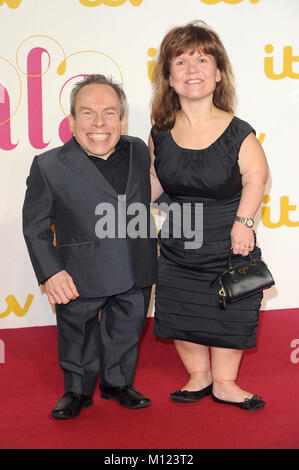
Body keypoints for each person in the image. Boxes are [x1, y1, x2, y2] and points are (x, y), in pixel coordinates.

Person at [149, 21, 269, 411]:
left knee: (230, 314)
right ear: (169, 76)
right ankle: (199, 377)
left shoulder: (239, 131)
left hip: (229, 239)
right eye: (180, 61)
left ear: (218, 73)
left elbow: (256, 177)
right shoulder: (160, 132)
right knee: (181, 310)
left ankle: (226, 383)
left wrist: (244, 222)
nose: (192, 69)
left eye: (202, 59)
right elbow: (152, 182)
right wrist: (127, 216)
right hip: (179, 242)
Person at [23, 74, 157, 419]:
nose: (99, 123)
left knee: (127, 331)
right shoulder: (49, 165)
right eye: (87, 113)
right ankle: (78, 390)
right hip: (78, 273)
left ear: (123, 120)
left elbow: (151, 195)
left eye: (110, 113)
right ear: (71, 120)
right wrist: (50, 272)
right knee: (77, 335)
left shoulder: (139, 151)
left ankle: (117, 383)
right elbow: (35, 226)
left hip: (136, 267)